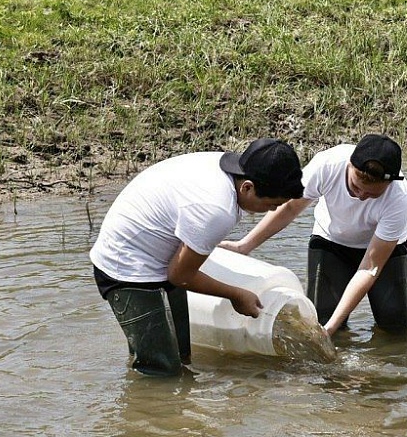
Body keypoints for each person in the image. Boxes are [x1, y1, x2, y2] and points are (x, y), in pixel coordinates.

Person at [89, 138, 305, 376]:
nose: (273, 211)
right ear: (248, 187)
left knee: (181, 357)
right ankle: (148, 406)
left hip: (160, 253)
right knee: (161, 370)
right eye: (271, 204)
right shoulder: (217, 209)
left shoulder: (230, 168)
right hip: (126, 267)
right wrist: (237, 295)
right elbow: (180, 275)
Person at [221, 134, 407, 337]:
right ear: (349, 165)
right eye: (356, 187)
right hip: (331, 243)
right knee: (321, 321)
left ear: (390, 184)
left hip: (385, 252)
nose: (361, 197)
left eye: (372, 195)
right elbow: (290, 208)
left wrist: (330, 328)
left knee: (398, 330)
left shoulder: (399, 196)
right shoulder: (328, 164)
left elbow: (369, 268)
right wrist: (244, 245)